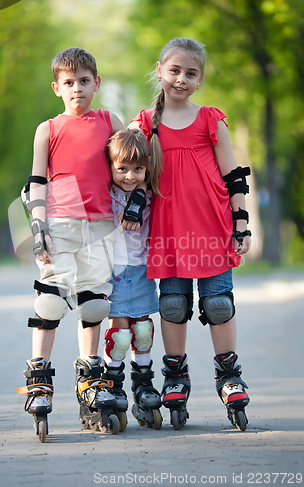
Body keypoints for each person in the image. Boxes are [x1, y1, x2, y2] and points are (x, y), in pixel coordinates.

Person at [130, 38, 252, 431]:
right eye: (175, 70)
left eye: (191, 73)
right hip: (168, 230)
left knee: (218, 303)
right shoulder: (145, 123)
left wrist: (241, 223)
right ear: (160, 70)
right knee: (173, 305)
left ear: (200, 79)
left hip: (212, 227)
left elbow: (234, 177)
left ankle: (228, 374)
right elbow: (124, 172)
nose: (181, 79)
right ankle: (175, 375)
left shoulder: (209, 120)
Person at [16, 47, 126, 437]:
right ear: (56, 88)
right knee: (49, 300)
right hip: (59, 223)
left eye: (84, 81)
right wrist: (38, 225)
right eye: (69, 82)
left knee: (93, 303)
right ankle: (40, 380)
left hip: (100, 224)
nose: (77, 88)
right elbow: (37, 181)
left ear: (97, 83)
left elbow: (127, 166)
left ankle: (90, 379)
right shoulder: (47, 128)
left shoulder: (110, 121)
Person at [102, 129, 162, 431]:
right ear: (111, 166)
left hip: (140, 269)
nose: (129, 176)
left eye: (137, 169)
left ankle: (143, 386)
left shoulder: (148, 192)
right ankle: (112, 386)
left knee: (142, 332)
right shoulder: (106, 191)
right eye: (122, 169)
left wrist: (140, 192)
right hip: (113, 272)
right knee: (121, 335)